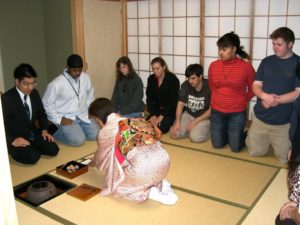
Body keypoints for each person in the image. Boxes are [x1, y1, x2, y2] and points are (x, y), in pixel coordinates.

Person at [88, 98, 178, 205]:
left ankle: (151, 192)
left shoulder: (106, 132)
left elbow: (101, 157)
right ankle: (161, 183)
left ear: (98, 119)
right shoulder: (130, 120)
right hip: (164, 161)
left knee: (117, 187)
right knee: (129, 161)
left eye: (95, 120)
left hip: (145, 169)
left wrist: (92, 163)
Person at [246, 27, 300, 163]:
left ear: (290, 44)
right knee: (255, 152)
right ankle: (250, 135)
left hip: (283, 122)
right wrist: (265, 97)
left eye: (279, 44)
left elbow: (298, 92)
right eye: (273, 44)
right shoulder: (267, 61)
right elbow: (256, 85)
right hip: (261, 117)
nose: (275, 48)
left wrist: (277, 100)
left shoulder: (297, 63)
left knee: (285, 159)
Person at [1, 63, 59, 164]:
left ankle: (32, 147)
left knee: (53, 149)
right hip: (16, 137)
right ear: (17, 82)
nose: (30, 87)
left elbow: (42, 113)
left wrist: (44, 130)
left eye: (33, 83)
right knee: (33, 157)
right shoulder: (6, 99)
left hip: (32, 133)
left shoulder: (34, 94)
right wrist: (12, 141)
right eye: (26, 84)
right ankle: (13, 149)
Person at [208, 32, 255, 152]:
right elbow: (212, 86)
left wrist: (242, 100)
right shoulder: (213, 66)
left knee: (236, 148)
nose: (220, 52)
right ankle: (231, 134)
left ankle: (243, 133)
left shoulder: (246, 67)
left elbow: (254, 88)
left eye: (224, 49)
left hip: (237, 113)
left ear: (234, 49)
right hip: (217, 111)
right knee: (217, 145)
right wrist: (219, 98)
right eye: (219, 49)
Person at [42, 54, 99, 146]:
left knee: (95, 135)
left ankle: (76, 130)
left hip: (82, 114)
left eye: (79, 70)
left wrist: (90, 110)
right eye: (74, 70)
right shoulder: (56, 83)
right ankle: (55, 130)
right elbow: (46, 103)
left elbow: (90, 94)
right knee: (78, 141)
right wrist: (59, 119)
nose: (77, 73)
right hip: (66, 117)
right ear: (68, 67)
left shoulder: (85, 78)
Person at [170, 63, 211, 142]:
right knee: (174, 134)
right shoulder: (185, 85)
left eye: (193, 78)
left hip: (204, 117)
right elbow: (180, 104)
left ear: (200, 76)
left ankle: (208, 130)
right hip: (189, 115)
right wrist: (178, 122)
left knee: (195, 137)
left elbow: (211, 110)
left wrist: (195, 122)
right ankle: (190, 130)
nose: (190, 81)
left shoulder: (209, 86)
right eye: (188, 78)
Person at [146, 57, 180, 133]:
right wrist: (153, 114)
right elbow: (149, 98)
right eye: (153, 69)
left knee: (162, 128)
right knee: (147, 125)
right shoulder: (151, 79)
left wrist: (162, 116)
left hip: (169, 111)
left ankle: (173, 122)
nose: (155, 71)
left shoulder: (173, 79)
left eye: (157, 68)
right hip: (156, 110)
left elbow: (173, 101)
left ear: (164, 67)